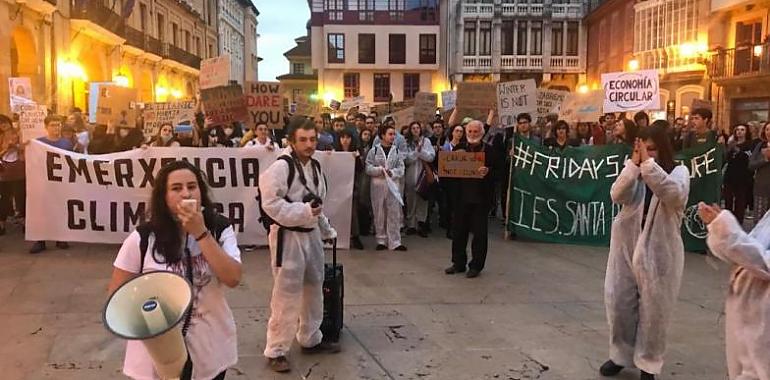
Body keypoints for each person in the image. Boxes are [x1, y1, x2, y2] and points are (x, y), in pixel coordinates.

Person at [107, 160, 242, 380]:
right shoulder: (143, 238)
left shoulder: (220, 228)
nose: (186, 194)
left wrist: (200, 233)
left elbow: (233, 277)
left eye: (192, 186)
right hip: (158, 353)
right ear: (164, 196)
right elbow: (117, 295)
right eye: (176, 188)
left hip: (209, 346)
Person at [601, 121, 690, 380]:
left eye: (651, 149)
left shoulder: (679, 172)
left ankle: (648, 364)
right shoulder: (636, 172)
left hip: (660, 255)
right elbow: (616, 194)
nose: (647, 155)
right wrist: (632, 167)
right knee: (619, 304)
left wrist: (648, 166)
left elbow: (672, 194)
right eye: (642, 149)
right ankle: (620, 355)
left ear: (662, 149)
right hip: (626, 251)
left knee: (654, 313)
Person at [261, 117, 339, 373]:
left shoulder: (315, 167)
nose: (308, 144)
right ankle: (276, 349)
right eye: (303, 140)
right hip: (289, 237)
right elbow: (271, 205)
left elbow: (318, 205)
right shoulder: (280, 168)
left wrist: (325, 228)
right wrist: (304, 212)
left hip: (312, 235)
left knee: (314, 287)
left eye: (312, 139)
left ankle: (310, 337)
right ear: (291, 141)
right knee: (286, 293)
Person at [699, 201, 770, 380]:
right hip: (751, 324)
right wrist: (719, 226)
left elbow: (763, 262)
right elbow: (748, 252)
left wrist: (725, 229)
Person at [444, 120, 497, 278]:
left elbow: (500, 172)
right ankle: (458, 263)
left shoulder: (489, 151)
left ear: (481, 133)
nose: (473, 134)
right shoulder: (460, 149)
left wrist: (488, 171)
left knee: (479, 235)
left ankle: (476, 265)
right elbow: (447, 171)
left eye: (475, 132)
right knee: (458, 232)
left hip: (481, 200)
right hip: (461, 199)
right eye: (470, 132)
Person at [30, 115, 73, 254]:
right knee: (42, 211)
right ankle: (40, 240)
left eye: (59, 125)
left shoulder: (66, 143)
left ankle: (60, 238)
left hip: (60, 183)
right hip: (43, 182)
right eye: (53, 125)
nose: (56, 128)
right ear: (46, 127)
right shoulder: (38, 143)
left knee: (60, 209)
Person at [366, 124, 407, 251]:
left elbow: (401, 168)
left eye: (394, 134)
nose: (392, 137)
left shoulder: (396, 151)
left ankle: (395, 241)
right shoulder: (374, 151)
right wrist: (379, 170)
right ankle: (381, 240)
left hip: (393, 184)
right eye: (390, 134)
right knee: (379, 212)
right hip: (378, 185)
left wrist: (393, 173)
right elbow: (368, 167)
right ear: (382, 135)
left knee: (394, 212)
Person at [403, 121, 436, 237]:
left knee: (423, 199)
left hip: (423, 174)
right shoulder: (407, 143)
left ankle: (421, 223)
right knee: (410, 199)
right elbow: (405, 159)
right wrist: (416, 153)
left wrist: (420, 151)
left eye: (418, 128)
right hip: (411, 174)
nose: (416, 130)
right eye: (413, 128)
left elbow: (431, 157)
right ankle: (411, 225)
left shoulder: (426, 141)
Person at [335, 128, 365, 249]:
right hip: (337, 187)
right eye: (343, 138)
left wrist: (356, 157)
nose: (345, 140)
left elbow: (360, 169)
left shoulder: (355, 152)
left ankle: (355, 236)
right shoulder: (335, 152)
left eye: (347, 138)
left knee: (352, 212)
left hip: (351, 186)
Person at [723, 124, 756, 224]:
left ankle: (738, 222)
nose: (739, 132)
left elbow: (750, 159)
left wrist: (740, 152)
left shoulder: (750, 144)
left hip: (743, 177)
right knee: (728, 200)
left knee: (740, 201)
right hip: (730, 176)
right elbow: (727, 159)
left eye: (742, 130)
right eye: (737, 130)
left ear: (746, 132)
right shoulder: (732, 144)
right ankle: (728, 221)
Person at [0, 117, 25, 235]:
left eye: (4, 122)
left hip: (19, 167)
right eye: (0, 124)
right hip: (4, 169)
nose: (3, 125)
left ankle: (24, 221)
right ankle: (2, 224)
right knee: (4, 197)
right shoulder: (0, 136)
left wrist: (15, 146)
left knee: (20, 196)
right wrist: (6, 149)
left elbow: (24, 147)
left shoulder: (19, 132)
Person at [749, 121, 770, 221]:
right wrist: (765, 159)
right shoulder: (760, 145)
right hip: (762, 188)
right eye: (767, 129)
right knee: (760, 220)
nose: (769, 132)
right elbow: (751, 165)